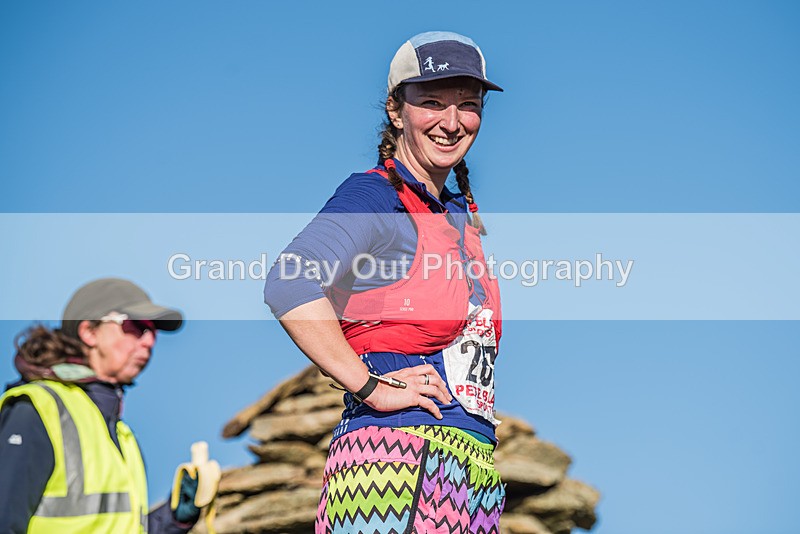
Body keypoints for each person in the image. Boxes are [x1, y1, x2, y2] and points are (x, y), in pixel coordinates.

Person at [263, 31, 505, 533]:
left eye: (468, 105)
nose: (452, 122)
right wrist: (370, 385)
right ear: (397, 110)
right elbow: (289, 281)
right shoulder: (375, 197)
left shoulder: (457, 213)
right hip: (394, 466)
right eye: (432, 102)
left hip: (468, 474)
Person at [0, 278, 217, 533]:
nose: (149, 341)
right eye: (136, 325)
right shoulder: (36, 410)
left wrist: (174, 517)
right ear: (89, 332)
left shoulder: (120, 434)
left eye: (153, 331)